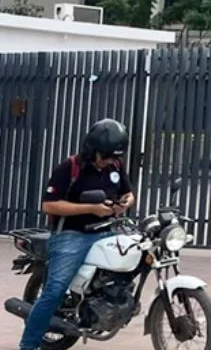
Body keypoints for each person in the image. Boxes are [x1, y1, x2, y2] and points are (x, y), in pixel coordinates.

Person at [20, 119, 134, 350]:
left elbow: (129, 193)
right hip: (72, 234)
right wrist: (90, 209)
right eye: (108, 156)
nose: (111, 160)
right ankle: (29, 344)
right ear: (92, 151)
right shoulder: (69, 168)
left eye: (115, 156)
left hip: (107, 230)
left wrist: (126, 202)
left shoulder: (116, 167)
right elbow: (49, 205)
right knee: (54, 291)